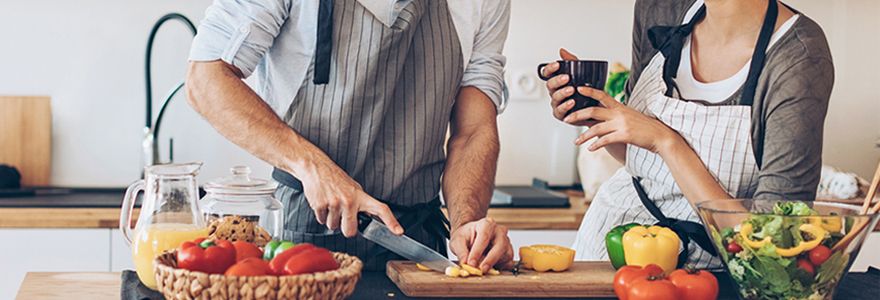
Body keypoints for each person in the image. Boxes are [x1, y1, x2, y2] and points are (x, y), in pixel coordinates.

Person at [185, 0, 514, 272]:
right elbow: (206, 78)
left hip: (417, 247)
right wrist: (313, 168)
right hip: (304, 240)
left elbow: (473, 131)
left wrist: (466, 223)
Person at [542, 0, 833, 269]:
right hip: (608, 246)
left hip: (707, 276)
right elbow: (639, 161)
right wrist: (593, 112)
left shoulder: (799, 55)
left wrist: (666, 142)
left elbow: (774, 240)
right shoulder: (660, 8)